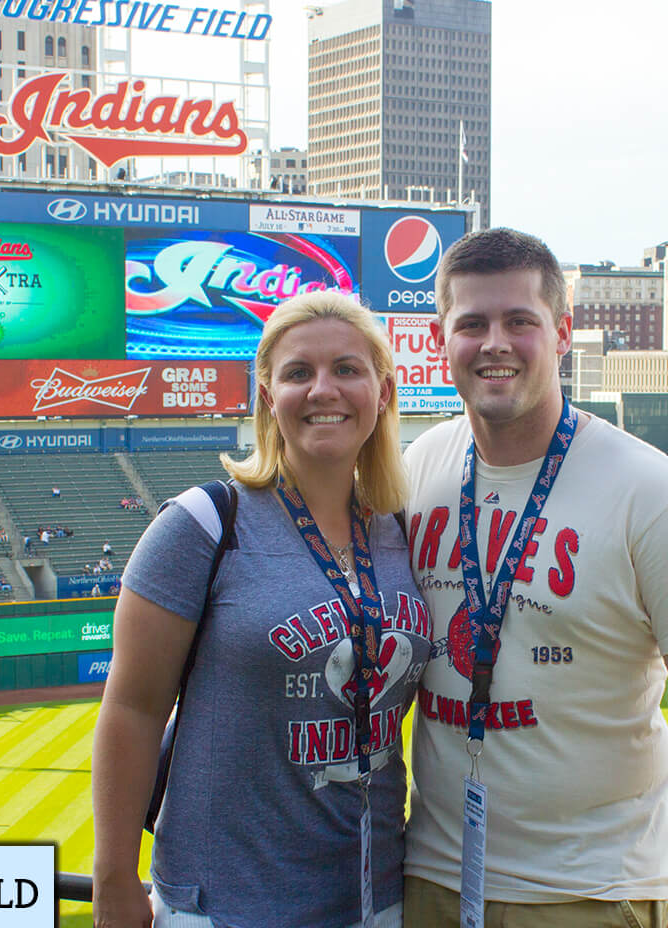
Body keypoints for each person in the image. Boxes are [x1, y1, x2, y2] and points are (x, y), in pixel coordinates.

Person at [401, 229, 668, 928]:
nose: (494, 342)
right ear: (443, 340)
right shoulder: (420, 467)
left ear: (560, 333)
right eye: (471, 323)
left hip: (588, 890)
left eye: (519, 321)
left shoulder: (652, 492)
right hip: (429, 876)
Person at [92, 291, 426, 928]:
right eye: (299, 372)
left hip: (376, 898)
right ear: (269, 396)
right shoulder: (203, 523)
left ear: (382, 392)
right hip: (227, 905)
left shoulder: (400, 531)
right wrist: (113, 877)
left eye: (347, 370)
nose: (323, 389)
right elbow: (132, 708)